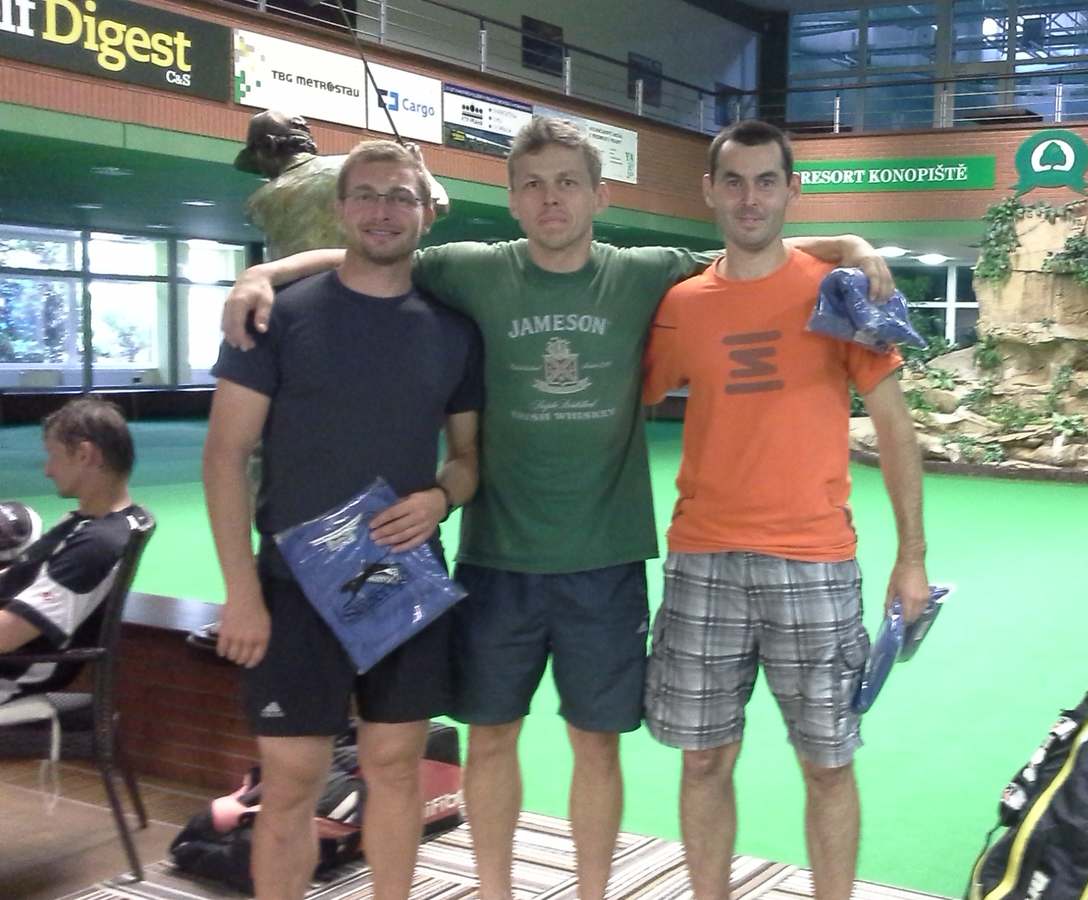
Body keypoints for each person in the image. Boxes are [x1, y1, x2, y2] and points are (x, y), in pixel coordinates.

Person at [217, 116, 894, 900]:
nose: (551, 199)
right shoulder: (471, 268)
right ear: (511, 199)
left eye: (568, 182)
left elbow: (755, 244)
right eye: (533, 184)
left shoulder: (644, 272)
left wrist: (853, 245)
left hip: (605, 562)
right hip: (496, 561)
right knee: (491, 739)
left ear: (600, 195)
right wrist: (264, 275)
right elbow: (369, 252)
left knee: (594, 748)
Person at [639, 119, 929, 900]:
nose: (750, 198)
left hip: (815, 563)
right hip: (703, 561)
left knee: (828, 765)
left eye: (766, 181)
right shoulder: (681, 305)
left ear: (792, 190)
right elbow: (624, 400)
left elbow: (895, 429)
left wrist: (912, 558)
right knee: (704, 760)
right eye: (733, 181)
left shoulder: (837, 292)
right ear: (708, 190)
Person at [203, 139, 484, 900]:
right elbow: (225, 456)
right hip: (291, 588)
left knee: (395, 769)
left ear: (427, 212)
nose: (382, 210)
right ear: (340, 207)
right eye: (367, 194)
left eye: (400, 196)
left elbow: (467, 459)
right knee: (290, 782)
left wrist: (441, 498)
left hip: (401, 575)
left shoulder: (454, 330)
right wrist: (241, 592)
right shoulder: (276, 319)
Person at [0, 398, 151, 703]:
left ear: (84, 454)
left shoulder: (97, 544)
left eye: (53, 456)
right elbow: (19, 576)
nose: (47, 470)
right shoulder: (85, 523)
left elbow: (6, 634)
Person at [236, 110, 450, 260]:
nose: (260, 168)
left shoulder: (258, 202)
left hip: (291, 298)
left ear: (267, 148)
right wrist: (418, 168)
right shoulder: (354, 170)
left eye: (256, 158)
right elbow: (439, 204)